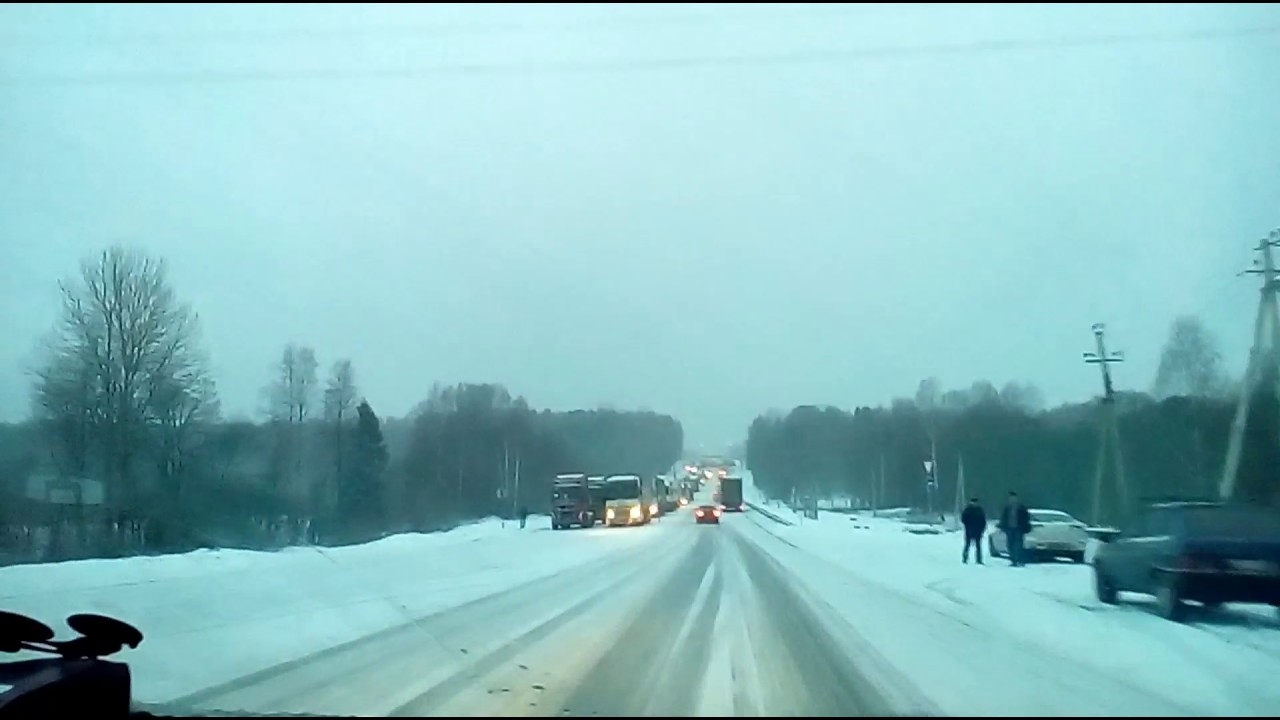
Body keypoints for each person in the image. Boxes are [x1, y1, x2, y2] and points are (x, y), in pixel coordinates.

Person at [998, 491, 1032, 567]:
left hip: (1018, 529)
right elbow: (1004, 518)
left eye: (1014, 498)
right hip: (1009, 529)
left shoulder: (1021, 507)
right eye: (1011, 498)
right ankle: (1013, 560)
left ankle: (1019, 560)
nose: (1012, 499)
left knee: (1018, 545)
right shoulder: (1007, 508)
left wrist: (1025, 527)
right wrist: (1002, 526)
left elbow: (1026, 518)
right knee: (1010, 545)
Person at [960, 497, 986, 565]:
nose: (974, 504)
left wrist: (982, 529)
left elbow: (983, 521)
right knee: (967, 545)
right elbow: (963, 519)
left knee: (978, 546)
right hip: (969, 530)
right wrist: (967, 525)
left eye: (976, 502)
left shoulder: (980, 510)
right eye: (973, 502)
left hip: (978, 530)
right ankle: (965, 558)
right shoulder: (968, 510)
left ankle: (979, 559)